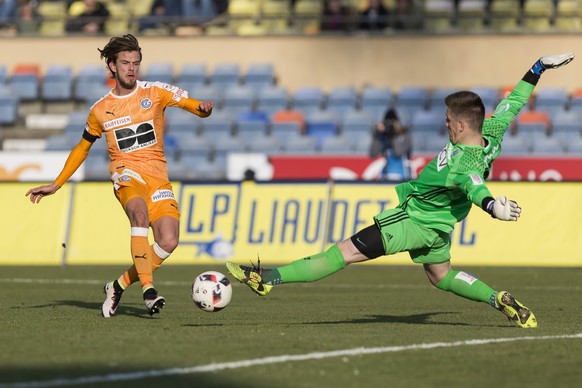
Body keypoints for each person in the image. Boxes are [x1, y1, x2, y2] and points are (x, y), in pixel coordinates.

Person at [226, 53, 575, 328]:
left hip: (412, 221)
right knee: (441, 276)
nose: (445, 124)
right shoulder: (492, 133)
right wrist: (538, 68)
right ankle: (498, 298)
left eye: (449, 120)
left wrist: (491, 206)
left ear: (462, 124)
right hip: (439, 227)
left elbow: (474, 185)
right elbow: (512, 102)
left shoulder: (463, 161)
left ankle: (267, 278)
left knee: (342, 253)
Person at [25, 34, 214, 317]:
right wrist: (57, 183)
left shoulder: (155, 92)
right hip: (126, 174)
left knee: (168, 241)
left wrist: (204, 110)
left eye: (135, 63)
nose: (131, 68)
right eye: (125, 63)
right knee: (139, 216)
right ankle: (149, 290)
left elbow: (194, 106)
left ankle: (117, 285)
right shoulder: (100, 110)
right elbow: (82, 148)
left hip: (158, 177)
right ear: (112, 66)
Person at [370, 108, 412, 180]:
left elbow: (398, 153)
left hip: (403, 173)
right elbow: (373, 153)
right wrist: (377, 134)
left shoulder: (405, 135)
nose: (390, 126)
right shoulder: (383, 136)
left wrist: (395, 134)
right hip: (387, 173)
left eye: (392, 122)